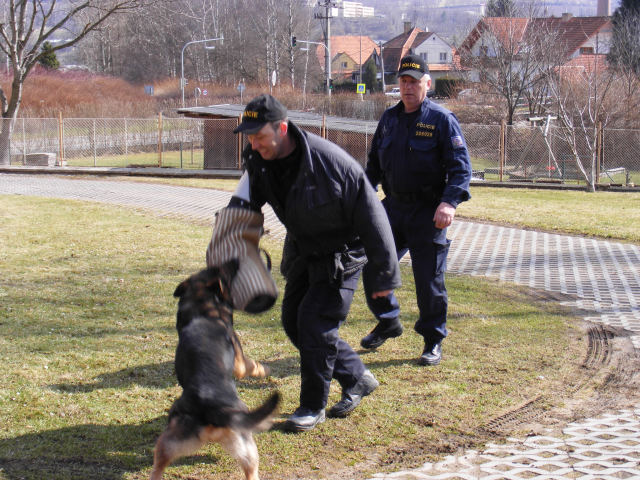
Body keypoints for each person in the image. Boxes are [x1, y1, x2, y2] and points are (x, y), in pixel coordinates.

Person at [228, 94, 401, 432]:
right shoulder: (259, 157)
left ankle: (312, 406)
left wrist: (383, 278)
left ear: (281, 128)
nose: (253, 144)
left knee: (313, 321)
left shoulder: (330, 163)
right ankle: (356, 377)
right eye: (248, 136)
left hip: (342, 255)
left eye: (259, 136)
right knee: (294, 321)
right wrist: (234, 239)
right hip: (304, 252)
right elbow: (247, 202)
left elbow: (374, 219)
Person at [361, 54, 472, 366]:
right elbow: (373, 167)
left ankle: (433, 340)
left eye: (414, 82)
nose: (408, 88)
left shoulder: (441, 120)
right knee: (374, 267)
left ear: (428, 84)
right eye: (403, 82)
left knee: (428, 281)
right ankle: (388, 321)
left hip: (428, 213)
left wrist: (449, 203)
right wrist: (360, 195)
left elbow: (461, 170)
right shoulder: (389, 119)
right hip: (392, 209)